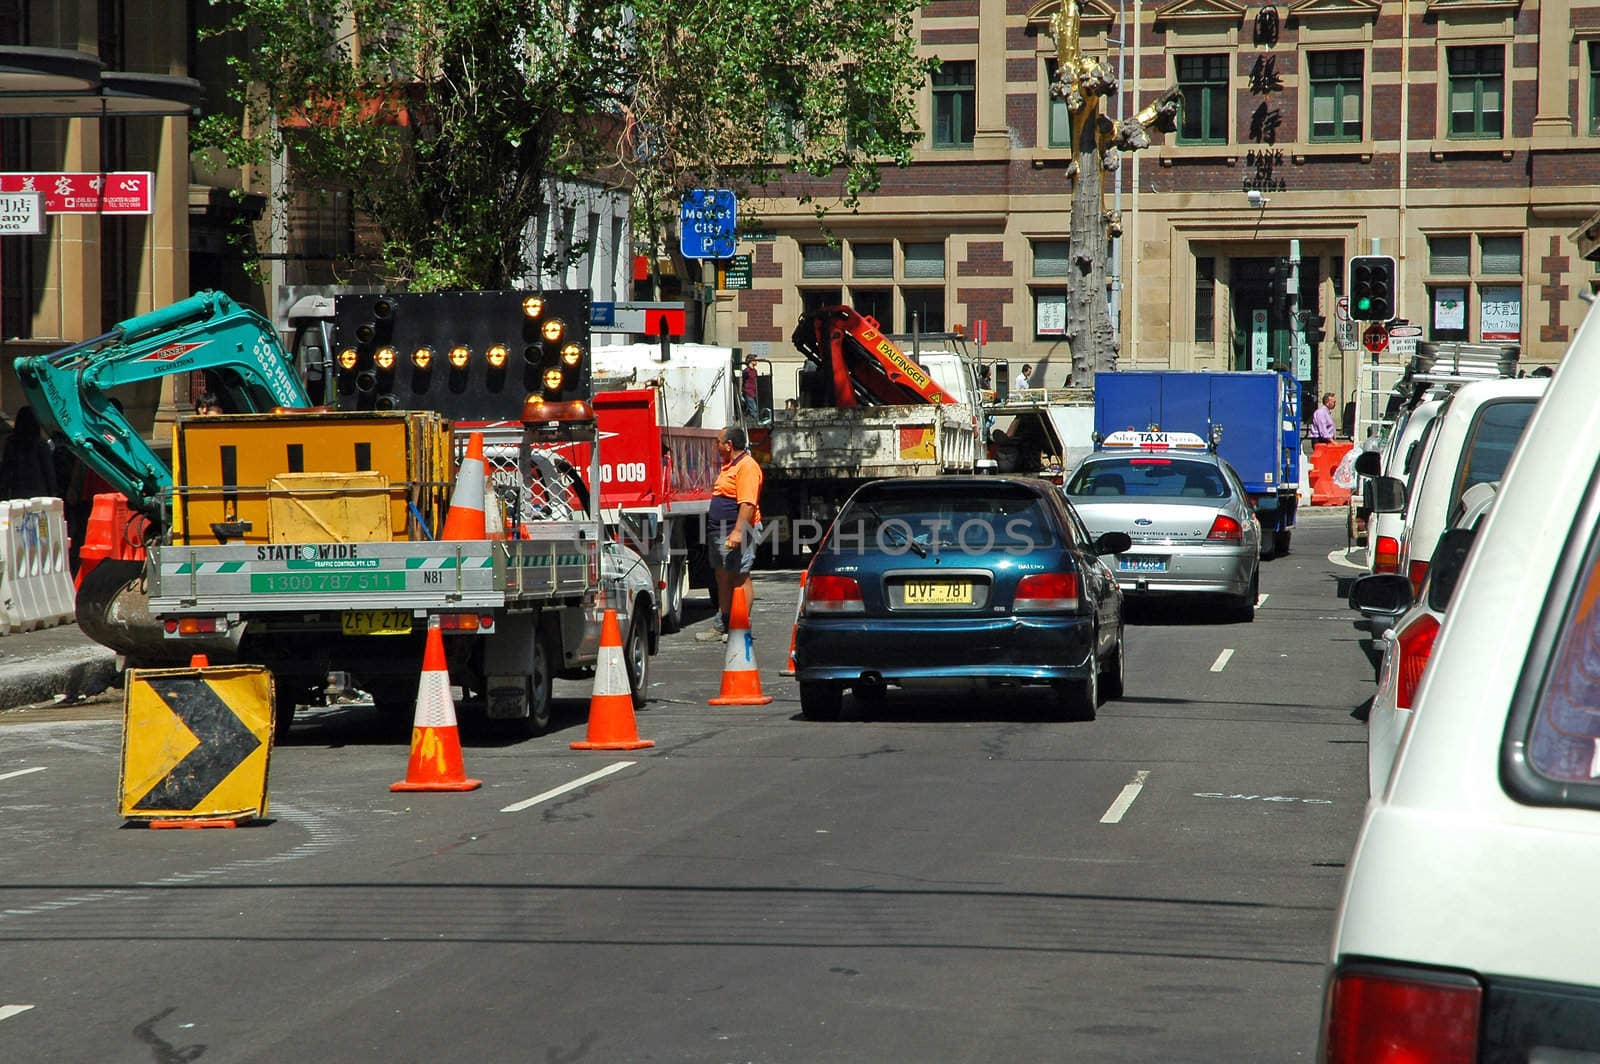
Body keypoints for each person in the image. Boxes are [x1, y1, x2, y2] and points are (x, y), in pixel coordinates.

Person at [697, 426, 763, 643]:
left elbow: (747, 504)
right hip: (720, 530)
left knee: (739, 576)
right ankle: (722, 624)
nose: (716, 445)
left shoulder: (746, 467)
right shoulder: (729, 466)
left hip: (736, 530)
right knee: (722, 576)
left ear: (729, 445)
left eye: (718, 441)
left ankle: (740, 625)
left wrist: (737, 531)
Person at [0, 406, 58, 500]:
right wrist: (53, 492)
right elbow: (49, 471)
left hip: (17, 493)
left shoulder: (11, 443)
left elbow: (6, 470)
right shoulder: (41, 444)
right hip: (39, 493)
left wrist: (3, 492)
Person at [742, 354, 760, 420]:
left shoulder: (755, 371)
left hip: (754, 392)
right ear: (751, 361)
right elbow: (743, 382)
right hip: (748, 392)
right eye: (754, 360)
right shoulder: (746, 371)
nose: (756, 361)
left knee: (753, 408)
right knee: (753, 409)